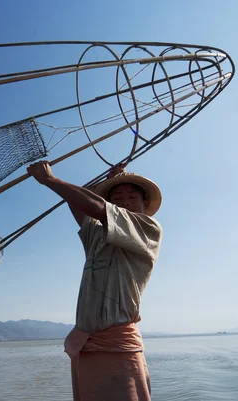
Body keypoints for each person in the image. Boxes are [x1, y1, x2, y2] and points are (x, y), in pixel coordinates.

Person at [26, 160, 163, 401]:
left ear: (145, 203)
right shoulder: (98, 235)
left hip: (117, 347)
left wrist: (50, 180)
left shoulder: (147, 227)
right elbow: (79, 203)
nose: (125, 200)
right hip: (87, 346)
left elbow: (98, 208)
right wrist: (109, 180)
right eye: (118, 196)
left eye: (132, 195)